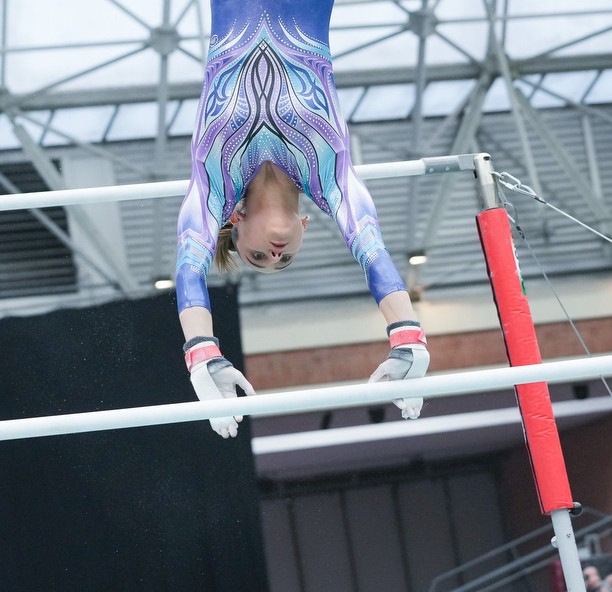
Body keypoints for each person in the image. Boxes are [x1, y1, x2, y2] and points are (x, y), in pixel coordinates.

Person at [174, 0, 428, 437]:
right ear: (304, 227)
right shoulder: (332, 181)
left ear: (234, 219)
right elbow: (373, 252)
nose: (275, 255)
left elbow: (189, 269)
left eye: (257, 256)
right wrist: (408, 338)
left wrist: (202, 356)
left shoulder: (213, 185)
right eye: (285, 259)